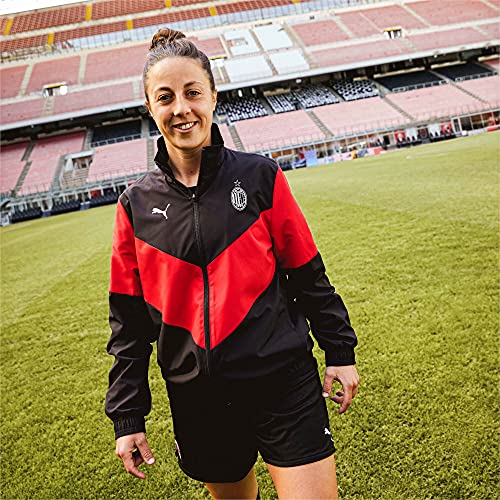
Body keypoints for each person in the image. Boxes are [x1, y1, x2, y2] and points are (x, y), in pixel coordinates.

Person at [105, 28, 359, 499]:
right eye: (165, 97)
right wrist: (127, 415)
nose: (181, 108)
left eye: (192, 92)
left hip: (284, 381)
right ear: (150, 108)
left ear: (213, 96)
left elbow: (308, 274)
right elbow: (128, 324)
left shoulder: (260, 177)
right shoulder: (134, 207)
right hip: (199, 400)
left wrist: (339, 351)